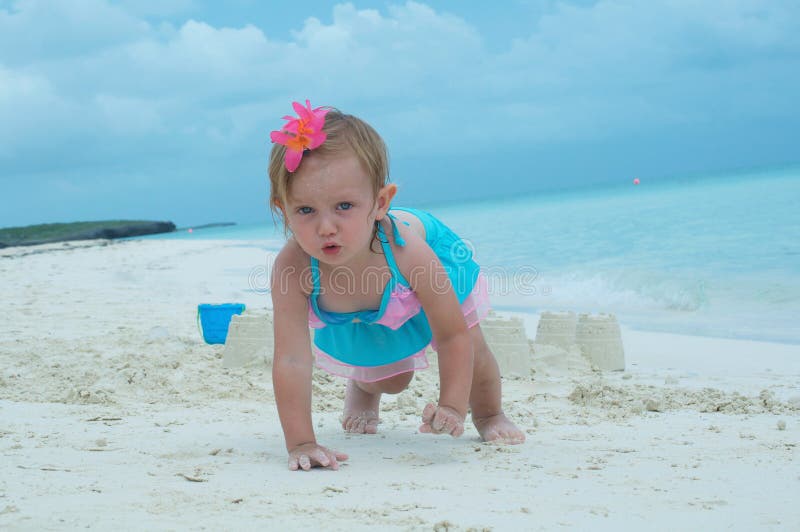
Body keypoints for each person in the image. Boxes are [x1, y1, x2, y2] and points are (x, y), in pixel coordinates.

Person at [268, 100, 525, 471]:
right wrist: (301, 442)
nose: (326, 227)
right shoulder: (292, 268)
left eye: (344, 206)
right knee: (394, 379)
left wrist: (452, 405)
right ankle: (363, 387)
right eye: (305, 211)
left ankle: (489, 414)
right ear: (283, 210)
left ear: (380, 202)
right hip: (359, 291)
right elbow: (291, 358)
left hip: (410, 266)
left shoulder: (409, 252)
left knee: (473, 342)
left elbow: (452, 336)